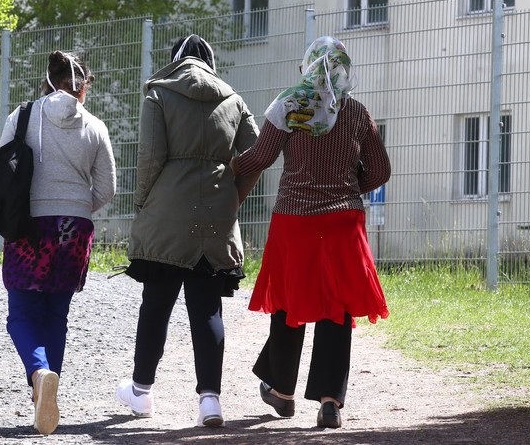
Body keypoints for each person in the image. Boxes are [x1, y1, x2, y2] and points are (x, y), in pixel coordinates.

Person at [231, 35, 390, 429]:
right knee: (337, 308)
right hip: (342, 222)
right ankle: (330, 400)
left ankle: (282, 391)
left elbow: (261, 158)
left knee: (289, 301)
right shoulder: (357, 113)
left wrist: (224, 168)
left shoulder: (289, 104)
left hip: (295, 221)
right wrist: (351, 189)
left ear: (307, 66)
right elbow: (381, 171)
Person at [115, 34, 260, 428]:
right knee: (207, 309)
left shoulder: (159, 94)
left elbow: (150, 157)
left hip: (165, 214)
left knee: (156, 306)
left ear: (174, 59)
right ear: (210, 61)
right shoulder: (234, 100)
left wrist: (143, 203)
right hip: (216, 215)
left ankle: (142, 392)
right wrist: (233, 195)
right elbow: (256, 155)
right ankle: (209, 401)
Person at [0, 50, 116, 436]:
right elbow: (107, 189)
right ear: (83, 85)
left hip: (29, 224)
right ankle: (46, 393)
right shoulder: (96, 127)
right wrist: (78, 208)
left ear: (48, 80)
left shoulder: (23, 116)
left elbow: (3, 170)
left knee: (21, 312)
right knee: (56, 315)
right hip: (75, 227)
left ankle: (39, 373)